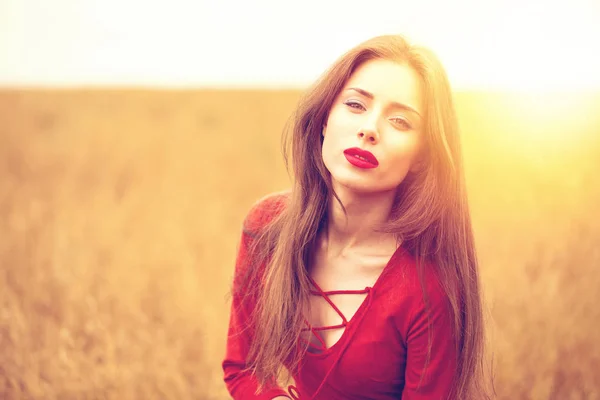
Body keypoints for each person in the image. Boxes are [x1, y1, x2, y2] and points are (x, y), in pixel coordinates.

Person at [222, 34, 492, 399]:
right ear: (324, 120)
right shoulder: (266, 227)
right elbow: (243, 369)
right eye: (355, 104)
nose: (370, 129)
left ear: (421, 158)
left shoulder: (428, 287)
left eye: (399, 122)